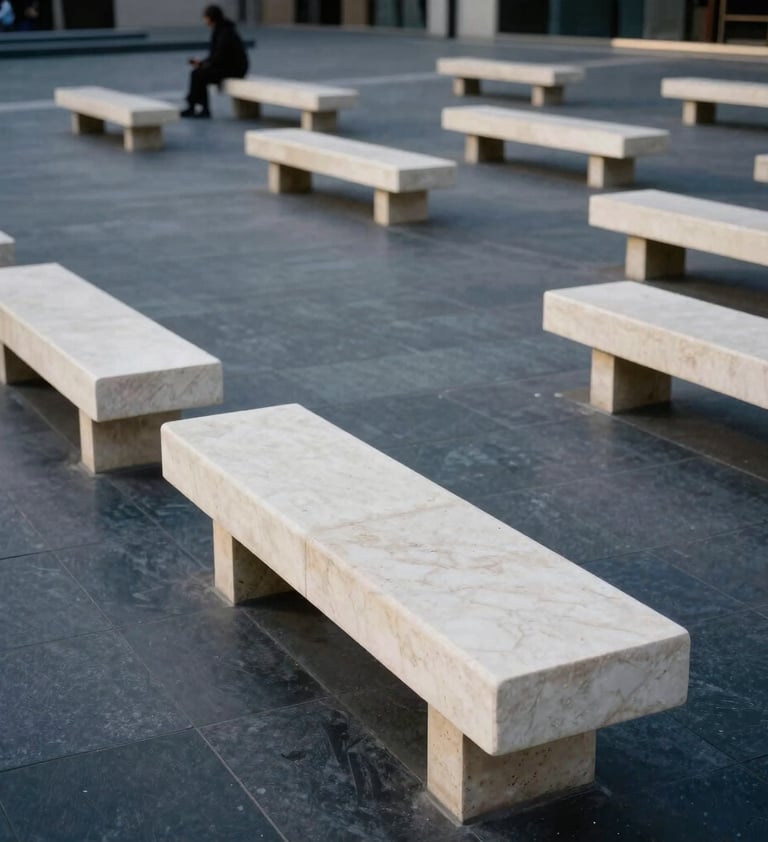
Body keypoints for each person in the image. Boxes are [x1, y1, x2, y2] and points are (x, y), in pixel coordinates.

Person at [183, 4, 249, 118]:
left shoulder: (225, 32)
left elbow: (220, 56)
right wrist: (202, 63)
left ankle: (199, 108)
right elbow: (216, 56)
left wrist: (203, 64)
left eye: (205, 17)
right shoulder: (221, 29)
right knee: (198, 73)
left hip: (235, 70)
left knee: (198, 74)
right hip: (228, 66)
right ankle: (195, 107)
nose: (204, 20)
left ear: (210, 18)